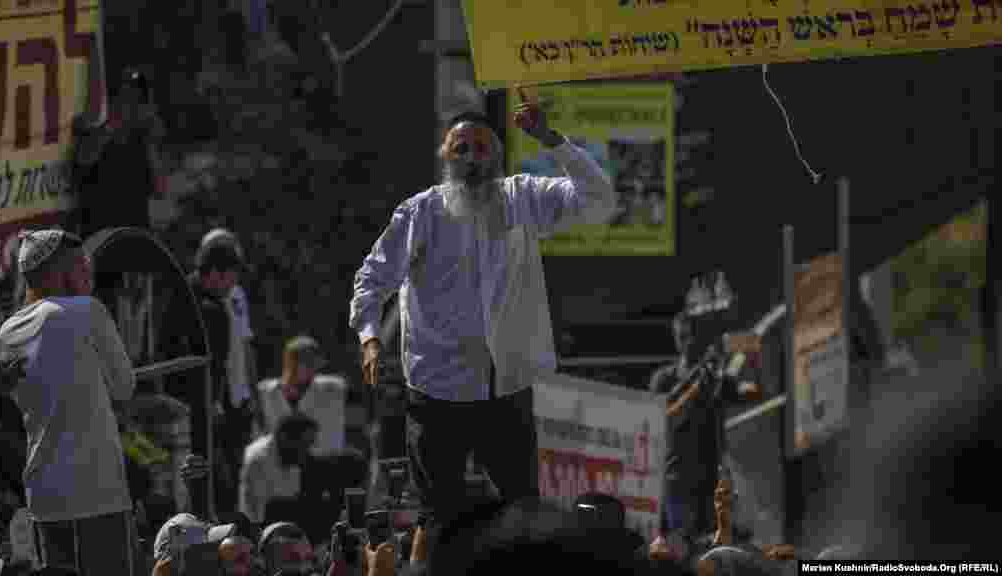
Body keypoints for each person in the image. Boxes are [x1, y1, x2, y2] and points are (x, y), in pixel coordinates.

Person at [349, 94, 616, 531]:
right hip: (437, 391)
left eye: (482, 147)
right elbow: (372, 279)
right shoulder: (420, 213)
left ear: (499, 155)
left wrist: (552, 140)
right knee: (438, 519)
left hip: (508, 387)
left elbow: (600, 201)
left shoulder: (524, 196)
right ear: (445, 159)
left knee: (527, 512)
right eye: (461, 149)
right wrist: (369, 337)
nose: (472, 158)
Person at [0, 229, 138, 575]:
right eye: (81, 265)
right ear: (58, 272)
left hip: (44, 496)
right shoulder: (87, 311)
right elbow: (124, 387)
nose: (89, 272)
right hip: (98, 490)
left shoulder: (4, 337)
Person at [649, 312, 760, 543]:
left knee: (714, 545)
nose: (689, 342)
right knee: (682, 544)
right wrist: (698, 376)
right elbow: (666, 411)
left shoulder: (714, 378)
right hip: (677, 479)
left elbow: (753, 392)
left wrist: (750, 356)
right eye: (683, 337)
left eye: (693, 336)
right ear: (676, 340)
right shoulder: (664, 379)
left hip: (711, 479)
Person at [187, 240, 245, 514]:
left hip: (188, 404)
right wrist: (214, 402)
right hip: (201, 408)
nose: (233, 285)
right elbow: (214, 366)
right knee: (217, 482)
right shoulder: (212, 310)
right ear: (216, 274)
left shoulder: (183, 293)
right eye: (231, 277)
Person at [72, 67, 166, 237]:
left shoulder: (141, 142)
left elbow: (160, 190)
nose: (134, 105)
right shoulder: (95, 134)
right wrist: (113, 125)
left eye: (139, 99)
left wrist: (151, 141)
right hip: (100, 241)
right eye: (128, 98)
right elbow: (84, 159)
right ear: (112, 101)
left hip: (135, 238)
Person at [257, 336, 346, 456]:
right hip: (279, 467)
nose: (312, 367)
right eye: (305, 361)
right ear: (288, 362)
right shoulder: (266, 392)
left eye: (314, 362)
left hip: (323, 464)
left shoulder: (333, 389)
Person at [239, 414, 318, 525]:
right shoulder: (258, 458)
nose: (307, 451)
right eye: (303, 444)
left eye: (310, 445)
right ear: (284, 437)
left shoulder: (294, 457)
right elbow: (259, 514)